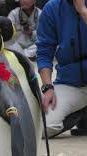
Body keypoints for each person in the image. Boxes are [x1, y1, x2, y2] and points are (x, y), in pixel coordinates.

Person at [36, 0, 87, 138]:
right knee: (44, 127)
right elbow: (44, 51)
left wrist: (82, 11)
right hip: (71, 83)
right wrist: (48, 87)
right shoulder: (52, 7)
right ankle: (81, 113)